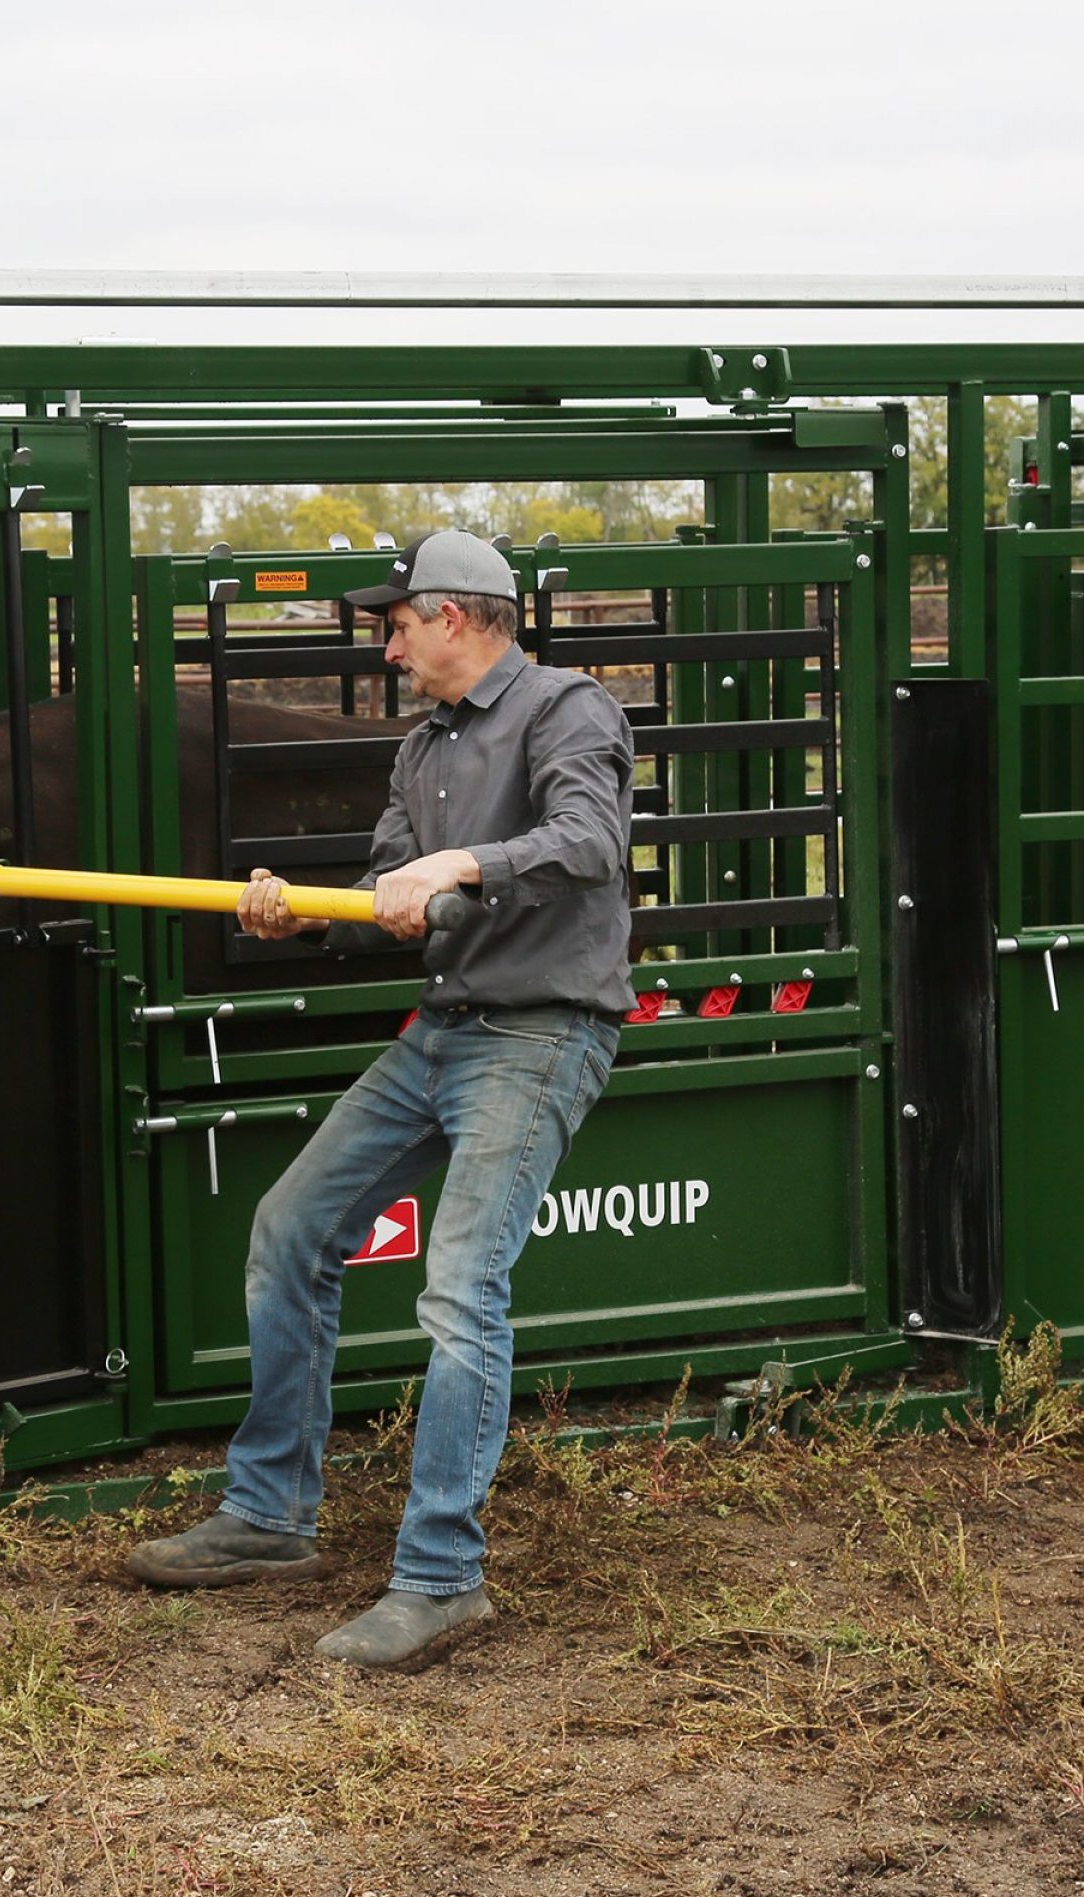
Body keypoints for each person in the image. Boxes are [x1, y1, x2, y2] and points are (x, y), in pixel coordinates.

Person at [126, 528, 635, 1668]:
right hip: (446, 1031)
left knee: (461, 1286)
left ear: (454, 616)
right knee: (291, 1228)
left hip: (542, 1032)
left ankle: (444, 1578)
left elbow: (591, 844)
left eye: (395, 624)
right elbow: (400, 898)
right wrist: (309, 910)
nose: (388, 646)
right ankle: (267, 1517)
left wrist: (454, 867)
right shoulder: (422, 752)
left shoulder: (568, 709)